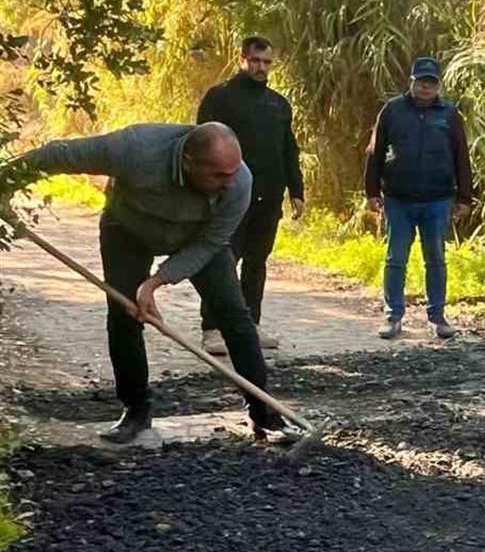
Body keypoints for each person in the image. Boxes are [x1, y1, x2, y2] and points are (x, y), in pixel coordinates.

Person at [3, 123, 296, 443]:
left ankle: (265, 412)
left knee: (236, 318)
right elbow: (56, 155)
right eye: (219, 175)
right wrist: (4, 184)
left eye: (232, 172)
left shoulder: (239, 182)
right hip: (128, 231)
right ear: (188, 161)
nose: (229, 182)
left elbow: (210, 244)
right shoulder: (135, 149)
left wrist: (155, 282)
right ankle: (136, 411)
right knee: (124, 315)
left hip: (197, 237)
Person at [196, 35, 305, 355]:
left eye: (267, 62)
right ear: (241, 59)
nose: (261, 67)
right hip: (229, 196)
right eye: (255, 61)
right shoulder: (220, 97)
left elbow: (289, 149)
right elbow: (202, 144)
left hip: (269, 196)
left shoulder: (278, 104)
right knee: (224, 261)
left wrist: (296, 191)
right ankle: (213, 328)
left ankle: (249, 326)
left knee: (257, 262)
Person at [363, 56, 473, 340]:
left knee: (435, 258)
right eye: (421, 82)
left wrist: (464, 197)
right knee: (395, 258)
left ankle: (437, 317)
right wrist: (372, 192)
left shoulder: (449, 115)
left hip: (437, 200)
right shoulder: (392, 110)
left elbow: (462, 155)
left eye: (431, 83)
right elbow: (374, 153)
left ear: (438, 85)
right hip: (399, 199)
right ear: (412, 81)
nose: (426, 87)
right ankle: (393, 317)